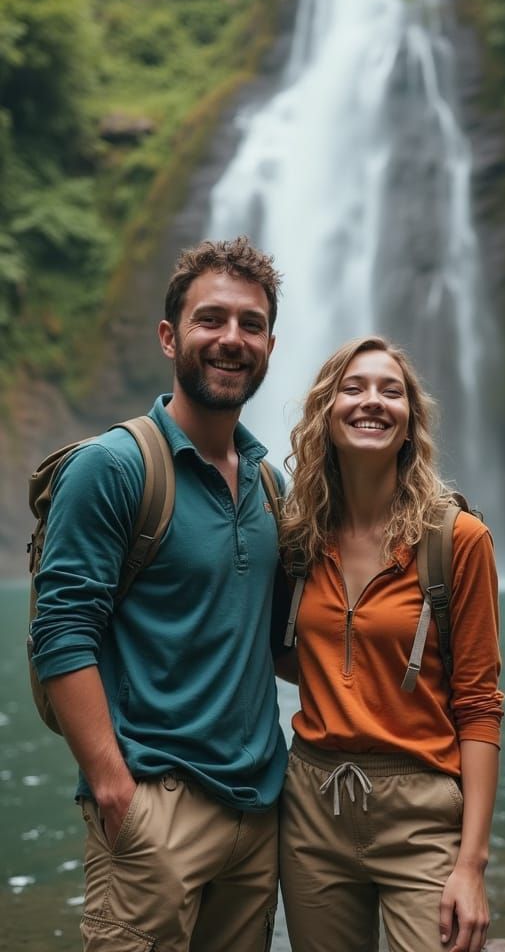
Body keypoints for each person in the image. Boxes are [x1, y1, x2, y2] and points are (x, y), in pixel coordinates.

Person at [30, 236, 287, 952]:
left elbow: (279, 639)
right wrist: (115, 790)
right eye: (212, 319)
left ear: (270, 343)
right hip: (154, 804)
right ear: (170, 336)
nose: (231, 339)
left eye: (251, 324)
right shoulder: (112, 467)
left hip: (258, 813)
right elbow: (62, 631)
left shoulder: (271, 485)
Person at [277, 335, 504, 952]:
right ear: (326, 412)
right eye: (353, 388)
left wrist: (472, 866)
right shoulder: (297, 537)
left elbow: (480, 706)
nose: (372, 401)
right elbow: (289, 652)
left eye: (391, 390)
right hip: (312, 806)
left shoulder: (457, 539)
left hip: (422, 812)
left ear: (411, 423)